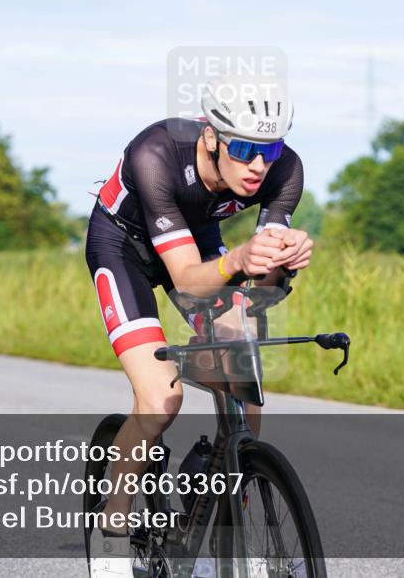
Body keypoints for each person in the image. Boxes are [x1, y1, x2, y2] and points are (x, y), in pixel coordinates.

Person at [85, 77, 313, 577]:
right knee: (160, 399)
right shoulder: (155, 153)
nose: (259, 165)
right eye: (247, 148)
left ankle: (221, 491)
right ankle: (113, 526)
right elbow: (188, 279)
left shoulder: (285, 170)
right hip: (123, 248)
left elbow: (261, 280)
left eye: (270, 148)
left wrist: (283, 261)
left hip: (197, 240)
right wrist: (242, 257)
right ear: (211, 136)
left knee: (244, 372)